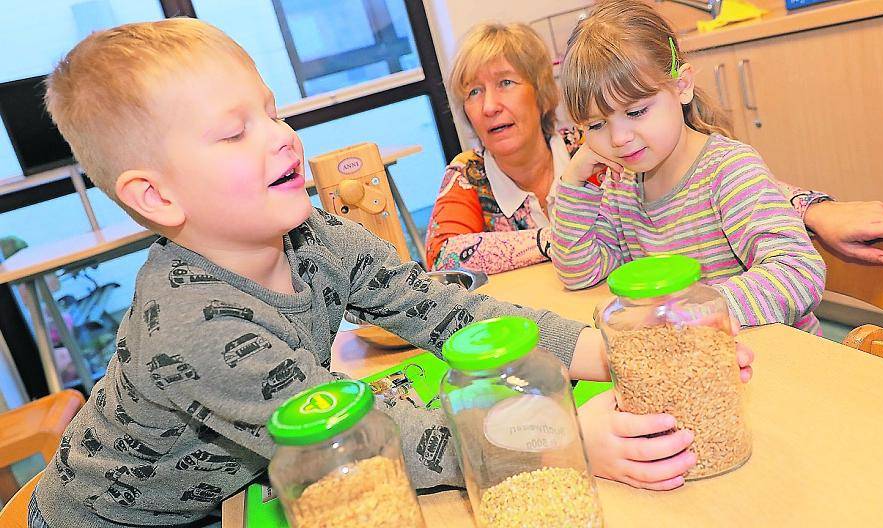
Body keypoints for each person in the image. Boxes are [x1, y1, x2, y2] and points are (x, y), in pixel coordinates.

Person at [28, 19, 744, 527]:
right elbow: (367, 436)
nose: (282, 138)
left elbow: (447, 311)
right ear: (157, 197)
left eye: (272, 113)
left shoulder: (317, 236)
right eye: (235, 131)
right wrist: (558, 434)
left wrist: (615, 351)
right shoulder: (192, 327)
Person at [425, 22, 883, 275]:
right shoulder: (609, 170)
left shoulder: (617, 153)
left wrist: (813, 209)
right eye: (473, 92)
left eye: (505, 83)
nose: (490, 105)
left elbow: (743, 195)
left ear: (541, 92)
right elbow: (577, 268)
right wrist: (573, 183)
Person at [551, 0, 826, 333]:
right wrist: (575, 182)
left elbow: (799, 271)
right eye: (596, 125)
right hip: (696, 354)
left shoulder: (729, 171)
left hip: (775, 350)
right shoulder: (620, 185)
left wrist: (687, 314)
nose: (619, 139)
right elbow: (578, 272)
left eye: (636, 112)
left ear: (681, 87)